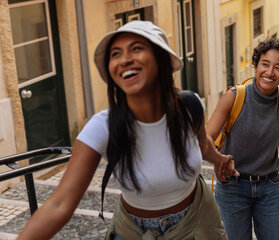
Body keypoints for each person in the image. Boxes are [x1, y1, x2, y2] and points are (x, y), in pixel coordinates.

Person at [18, 21, 237, 240]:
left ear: (161, 60)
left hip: (196, 222)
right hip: (132, 231)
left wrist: (218, 160)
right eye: (116, 53)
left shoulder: (189, 106)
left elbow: (202, 145)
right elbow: (59, 204)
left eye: (137, 48)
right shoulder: (103, 126)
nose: (124, 59)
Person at [206, 38, 279, 240]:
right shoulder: (234, 96)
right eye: (265, 64)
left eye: (278, 68)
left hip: (269, 187)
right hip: (233, 187)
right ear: (256, 65)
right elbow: (206, 136)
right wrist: (218, 160)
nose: (269, 72)